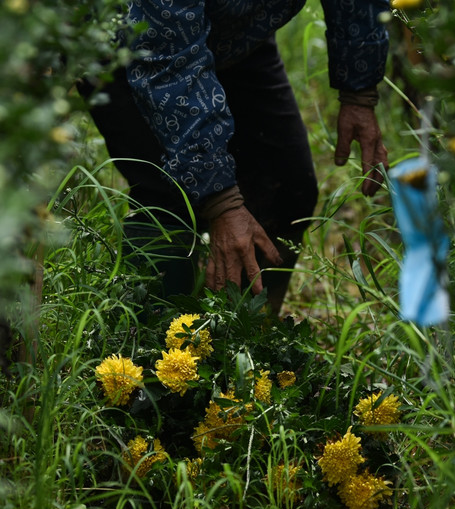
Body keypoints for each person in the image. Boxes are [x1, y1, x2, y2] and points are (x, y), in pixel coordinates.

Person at [78, 0, 390, 313]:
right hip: (128, 42)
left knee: (285, 189)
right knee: (170, 203)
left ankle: (251, 342)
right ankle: (156, 348)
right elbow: (166, 60)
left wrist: (359, 92)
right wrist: (221, 201)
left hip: (235, 36)